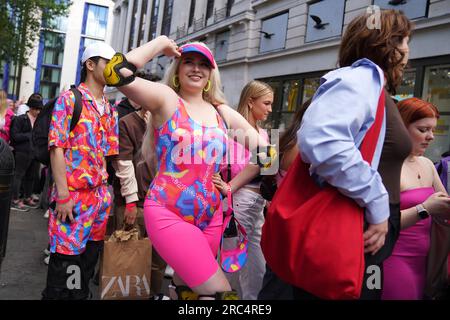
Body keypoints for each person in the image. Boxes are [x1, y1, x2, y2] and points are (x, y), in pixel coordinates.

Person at [103, 36, 272, 299]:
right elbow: (114, 73)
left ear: (211, 73)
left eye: (203, 64)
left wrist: (231, 187)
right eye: (188, 62)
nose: (196, 68)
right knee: (222, 294)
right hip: (168, 213)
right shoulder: (167, 100)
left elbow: (268, 154)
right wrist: (161, 44)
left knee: (187, 291)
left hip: (212, 219)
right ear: (178, 71)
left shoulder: (221, 112)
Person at [291, 10, 413, 300]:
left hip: (363, 221)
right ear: (388, 44)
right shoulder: (363, 78)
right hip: (355, 221)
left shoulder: (371, 84)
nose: (408, 51)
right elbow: (322, 140)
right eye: (405, 41)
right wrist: (378, 203)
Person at [42, 41, 118, 300]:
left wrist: (106, 194)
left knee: (87, 264)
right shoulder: (69, 99)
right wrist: (62, 195)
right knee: (65, 267)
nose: (112, 68)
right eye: (108, 62)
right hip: (72, 199)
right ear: (90, 64)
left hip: (98, 200)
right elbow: (56, 148)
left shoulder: (109, 108)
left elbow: (107, 154)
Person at [381, 97, 450, 300]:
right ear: (401, 127)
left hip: (426, 262)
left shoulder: (428, 164)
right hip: (393, 260)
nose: (431, 137)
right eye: (423, 130)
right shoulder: (389, 166)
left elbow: (444, 206)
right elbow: (380, 222)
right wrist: (425, 208)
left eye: (433, 130)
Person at [214, 80, 273, 300]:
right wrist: (227, 186)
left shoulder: (265, 134)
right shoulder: (229, 132)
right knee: (231, 265)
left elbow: (269, 170)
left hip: (258, 206)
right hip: (236, 202)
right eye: (266, 103)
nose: (269, 109)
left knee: (257, 266)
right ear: (250, 102)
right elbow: (216, 164)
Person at [258, 98, 311, 300]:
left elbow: (264, 177)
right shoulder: (308, 148)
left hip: (275, 220)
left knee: (273, 283)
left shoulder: (276, 140)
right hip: (297, 225)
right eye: (266, 102)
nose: (270, 108)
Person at [112, 107, 167, 298]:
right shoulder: (128, 123)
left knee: (158, 262)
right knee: (127, 258)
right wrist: (130, 203)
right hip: (136, 203)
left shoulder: (170, 124)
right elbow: (124, 164)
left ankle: (151, 295)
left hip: (163, 205)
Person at [9, 93, 43, 211]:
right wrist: (29, 135)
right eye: (36, 109)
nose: (38, 112)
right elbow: (14, 136)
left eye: (39, 109)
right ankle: (14, 200)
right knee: (18, 176)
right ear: (31, 108)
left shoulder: (39, 121)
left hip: (34, 153)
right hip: (22, 152)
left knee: (31, 176)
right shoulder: (20, 119)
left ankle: (27, 197)